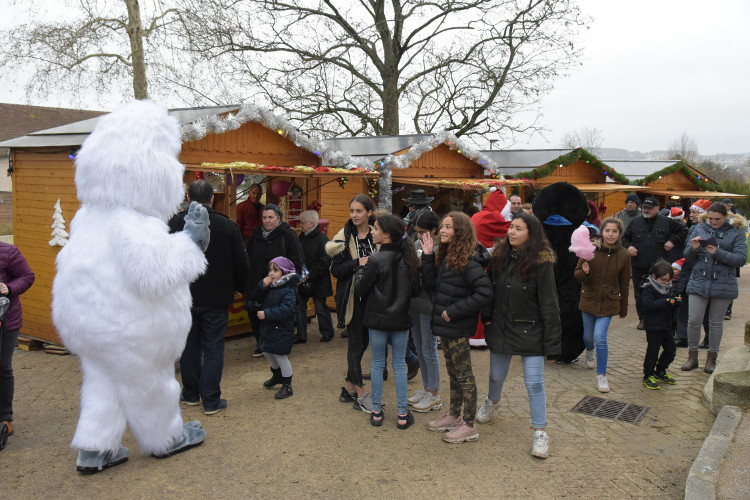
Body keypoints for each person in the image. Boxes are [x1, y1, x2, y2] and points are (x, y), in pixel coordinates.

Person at [52, 100, 208, 472]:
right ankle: (166, 438)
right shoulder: (131, 219)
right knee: (151, 382)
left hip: (88, 325)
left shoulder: (87, 217)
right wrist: (192, 242)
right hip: (129, 327)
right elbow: (153, 270)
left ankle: (95, 448)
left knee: (103, 381)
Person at [479, 213, 560, 459]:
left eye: (518, 229)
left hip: (531, 331)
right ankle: (492, 401)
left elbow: (550, 304)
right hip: (502, 328)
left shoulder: (541, 263)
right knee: (496, 376)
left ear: (531, 234)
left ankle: (540, 433)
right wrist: (488, 319)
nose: (511, 232)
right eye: (511, 227)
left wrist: (553, 346)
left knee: (534, 383)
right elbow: (487, 290)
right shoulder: (499, 257)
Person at [169, 179, 249, 415]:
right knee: (214, 347)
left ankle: (191, 394)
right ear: (212, 198)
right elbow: (241, 261)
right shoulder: (226, 225)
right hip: (217, 296)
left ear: (187, 197)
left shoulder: (175, 223)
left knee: (190, 346)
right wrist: (239, 287)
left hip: (185, 296)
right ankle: (211, 400)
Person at [420, 211, 492, 444]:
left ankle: (468, 425)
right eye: (442, 226)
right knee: (453, 374)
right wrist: (428, 256)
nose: (442, 230)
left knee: (464, 376)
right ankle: (453, 415)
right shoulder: (448, 257)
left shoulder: (469, 261)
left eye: (448, 227)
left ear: (459, 232)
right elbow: (431, 286)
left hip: (458, 327)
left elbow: (484, 293)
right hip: (446, 328)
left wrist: (453, 311)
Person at [355, 214, 420, 429]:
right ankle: (402, 415)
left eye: (375, 228)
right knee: (399, 365)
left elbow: (360, 290)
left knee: (377, 363)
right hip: (401, 319)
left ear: (387, 234)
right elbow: (417, 290)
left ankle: (376, 413)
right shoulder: (410, 259)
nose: (372, 231)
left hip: (377, 319)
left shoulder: (376, 259)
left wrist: (360, 273)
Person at [681, 202, 747, 373]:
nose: (713, 222)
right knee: (693, 320)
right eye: (710, 218)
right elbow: (687, 255)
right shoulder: (700, 227)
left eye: (717, 219)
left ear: (726, 216)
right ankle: (692, 357)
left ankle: (711, 359)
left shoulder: (737, 230)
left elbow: (741, 259)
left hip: (723, 282)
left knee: (715, 323)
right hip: (699, 280)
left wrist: (717, 252)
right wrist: (694, 249)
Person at [326, 194, 377, 412]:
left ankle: (348, 387)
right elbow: (336, 270)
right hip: (351, 299)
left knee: (364, 342)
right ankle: (361, 392)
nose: (354, 215)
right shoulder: (343, 237)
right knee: (356, 344)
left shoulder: (378, 233)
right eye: (352, 211)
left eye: (358, 211)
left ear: (369, 213)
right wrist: (358, 263)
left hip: (374, 297)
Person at [573, 218, 630, 393]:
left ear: (619, 233)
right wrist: (584, 272)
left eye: (614, 231)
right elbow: (576, 274)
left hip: (609, 301)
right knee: (588, 337)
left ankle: (602, 376)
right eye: (607, 231)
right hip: (589, 299)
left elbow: (624, 282)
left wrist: (623, 307)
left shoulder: (624, 254)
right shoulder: (589, 248)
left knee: (600, 337)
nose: (610, 234)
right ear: (602, 231)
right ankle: (589, 350)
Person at [246, 204, 304, 357]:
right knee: (256, 314)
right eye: (264, 218)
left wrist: (288, 280)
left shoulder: (288, 235)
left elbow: (297, 261)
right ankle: (261, 344)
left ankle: (275, 346)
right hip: (258, 283)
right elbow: (248, 258)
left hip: (279, 286)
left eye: (271, 217)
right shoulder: (256, 234)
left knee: (275, 315)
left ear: (278, 218)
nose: (267, 221)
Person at [621, 196, 687, 330]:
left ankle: (660, 318)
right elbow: (625, 238)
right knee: (640, 292)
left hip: (659, 265)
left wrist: (672, 241)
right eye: (644, 207)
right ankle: (643, 319)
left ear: (657, 208)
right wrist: (629, 247)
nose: (646, 210)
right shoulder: (636, 222)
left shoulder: (667, 222)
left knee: (661, 290)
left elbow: (684, 231)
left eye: (649, 208)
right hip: (639, 264)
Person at [0, 242, 35, 449]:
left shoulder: (7, 251)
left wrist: (9, 287)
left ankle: (5, 417)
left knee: (2, 367)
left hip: (6, 321)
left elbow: (27, 277)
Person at [407, 211, 443, 413]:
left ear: (434, 230)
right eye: (417, 232)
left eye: (423, 232)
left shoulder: (439, 248)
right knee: (419, 348)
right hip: (415, 301)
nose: (419, 236)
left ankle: (434, 394)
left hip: (429, 304)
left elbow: (433, 279)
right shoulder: (415, 245)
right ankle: (426, 388)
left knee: (429, 349)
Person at [250, 257, 298, 399]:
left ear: (285, 272)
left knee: (281, 356)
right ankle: (277, 375)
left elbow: (287, 309)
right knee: (267, 351)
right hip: (269, 327)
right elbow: (256, 297)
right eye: (270, 270)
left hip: (281, 328)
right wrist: (262, 286)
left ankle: (287, 385)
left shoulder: (288, 290)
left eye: (275, 270)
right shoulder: (270, 286)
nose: (271, 273)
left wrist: (267, 314)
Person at [296, 210, 335, 342]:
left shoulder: (323, 240)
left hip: (319, 281)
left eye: (302, 223)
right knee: (299, 308)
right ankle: (301, 335)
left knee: (321, 308)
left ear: (311, 223)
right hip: (303, 280)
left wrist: (308, 275)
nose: (300, 225)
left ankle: (327, 332)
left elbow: (325, 262)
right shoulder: (301, 237)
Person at [640, 260, 680, 390]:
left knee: (671, 350)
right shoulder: (647, 288)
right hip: (653, 326)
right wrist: (667, 302)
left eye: (669, 280)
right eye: (664, 280)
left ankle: (661, 370)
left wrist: (676, 303)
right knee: (653, 351)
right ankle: (648, 374)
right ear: (654, 276)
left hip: (667, 325)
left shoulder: (669, 288)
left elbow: (671, 304)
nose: (667, 283)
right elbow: (648, 305)